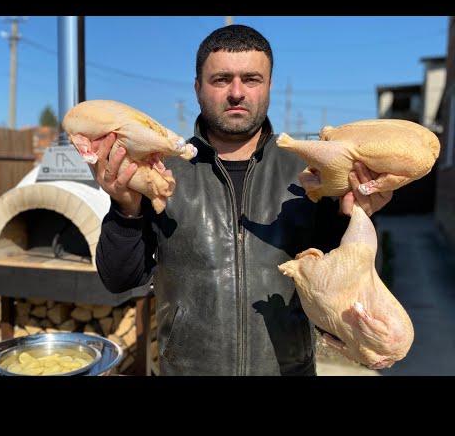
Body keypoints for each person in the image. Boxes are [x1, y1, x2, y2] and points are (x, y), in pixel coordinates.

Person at [91, 24, 392, 376]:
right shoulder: (161, 171)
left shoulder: (310, 172)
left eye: (251, 79)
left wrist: (356, 218)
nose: (237, 92)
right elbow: (120, 279)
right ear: (197, 87)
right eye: (221, 79)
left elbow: (346, 284)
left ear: (269, 86)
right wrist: (125, 209)